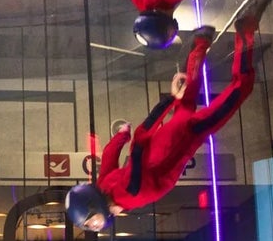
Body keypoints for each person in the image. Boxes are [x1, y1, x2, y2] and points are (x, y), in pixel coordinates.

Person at [65, 21, 256, 229]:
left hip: (183, 139)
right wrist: (123, 134)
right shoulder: (105, 186)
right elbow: (114, 153)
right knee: (186, 101)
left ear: (93, 205)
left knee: (240, 89)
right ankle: (201, 41)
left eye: (92, 220)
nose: (96, 224)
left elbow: (138, 148)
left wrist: (168, 101)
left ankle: (244, 33)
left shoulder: (131, 194)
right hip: (168, 136)